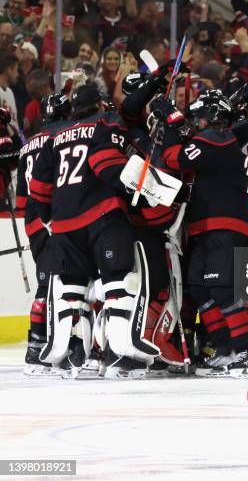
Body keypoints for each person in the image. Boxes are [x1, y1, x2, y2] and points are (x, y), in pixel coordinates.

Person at [27, 84, 160, 378]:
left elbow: (37, 188)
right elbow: (105, 163)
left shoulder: (58, 133)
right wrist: (139, 193)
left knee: (72, 291)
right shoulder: (106, 122)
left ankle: (70, 357)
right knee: (119, 284)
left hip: (63, 224)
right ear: (100, 103)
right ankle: (118, 358)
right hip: (102, 216)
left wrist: (51, 218)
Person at [158, 89, 248, 376]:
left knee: (222, 289)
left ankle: (244, 350)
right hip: (205, 226)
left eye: (198, 117)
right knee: (200, 288)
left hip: (223, 224)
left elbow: (174, 158)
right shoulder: (219, 139)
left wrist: (173, 125)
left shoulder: (216, 138)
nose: (195, 123)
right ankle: (224, 347)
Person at [16, 92, 71, 375]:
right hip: (56, 219)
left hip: (33, 224)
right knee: (67, 283)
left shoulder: (28, 146)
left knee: (46, 284)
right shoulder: (65, 136)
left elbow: (22, 200)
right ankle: (43, 346)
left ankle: (39, 345)